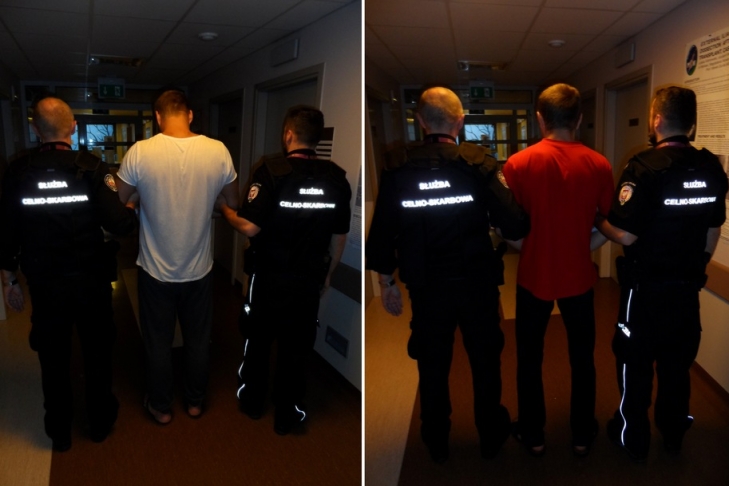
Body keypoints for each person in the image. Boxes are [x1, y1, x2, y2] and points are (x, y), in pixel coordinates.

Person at [366, 87, 530, 463]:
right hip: (476, 285)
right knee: (485, 362)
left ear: (421, 121)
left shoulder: (397, 169)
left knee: (432, 364)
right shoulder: (480, 165)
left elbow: (382, 233)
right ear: (460, 122)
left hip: (426, 289)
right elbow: (514, 222)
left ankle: (436, 438)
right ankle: (490, 436)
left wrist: (386, 283)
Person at [596, 86, 728, 461]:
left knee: (634, 363)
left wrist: (598, 220)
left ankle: (633, 437)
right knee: (677, 365)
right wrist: (696, 264)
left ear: (656, 120)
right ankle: (673, 433)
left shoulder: (643, 168)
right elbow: (713, 228)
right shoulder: (711, 169)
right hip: (686, 289)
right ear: (692, 124)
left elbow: (625, 234)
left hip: (645, 292)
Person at [0, 96, 137, 451]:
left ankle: (59, 432)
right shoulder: (93, 168)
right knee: (97, 353)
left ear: (35, 130)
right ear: (73, 127)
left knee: (52, 357)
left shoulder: (17, 172)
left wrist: (9, 280)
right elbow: (120, 224)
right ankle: (99, 423)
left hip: (46, 286)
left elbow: (6, 233)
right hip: (90, 283)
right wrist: (130, 208)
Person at [216, 105, 351, 435]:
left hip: (269, 278)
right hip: (308, 280)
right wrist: (328, 274)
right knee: (297, 348)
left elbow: (250, 226)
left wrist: (226, 211)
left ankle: (252, 402)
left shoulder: (270, 171)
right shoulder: (336, 179)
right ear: (316, 138)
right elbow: (339, 236)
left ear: (288, 134)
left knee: (258, 339)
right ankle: (287, 415)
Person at [501, 83, 614, 457]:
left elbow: (507, 230)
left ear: (539, 119)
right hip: (579, 278)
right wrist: (580, 249)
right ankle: (582, 434)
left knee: (529, 359)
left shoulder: (517, 164)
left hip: (533, 277)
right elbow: (609, 225)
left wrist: (533, 249)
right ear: (579, 119)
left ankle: (533, 434)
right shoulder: (599, 165)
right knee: (583, 358)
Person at [116, 89, 239, 424]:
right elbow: (232, 201)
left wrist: (138, 198)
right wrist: (210, 200)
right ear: (190, 115)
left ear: (158, 117)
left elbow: (119, 199)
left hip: (155, 272)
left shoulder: (140, 152)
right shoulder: (218, 151)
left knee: (158, 343)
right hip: (199, 271)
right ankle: (195, 403)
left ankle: (161, 407)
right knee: (198, 341)